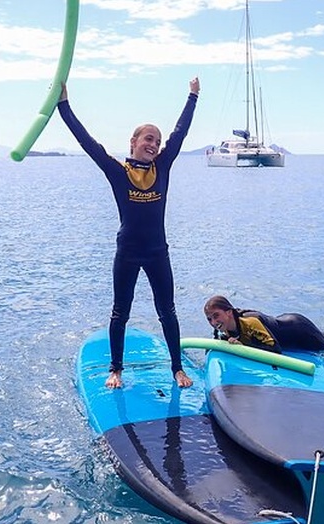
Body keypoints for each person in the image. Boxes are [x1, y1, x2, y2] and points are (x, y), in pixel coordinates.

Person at [58, 78, 200, 389]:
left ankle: (177, 368)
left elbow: (180, 133)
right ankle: (116, 370)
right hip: (128, 252)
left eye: (157, 141)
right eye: (148, 138)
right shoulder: (117, 171)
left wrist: (192, 96)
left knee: (168, 311)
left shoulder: (163, 166)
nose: (154, 144)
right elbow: (86, 141)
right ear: (133, 141)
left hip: (157, 252)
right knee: (120, 311)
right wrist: (63, 104)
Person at [203, 295, 324, 353]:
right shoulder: (225, 329)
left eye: (216, 316)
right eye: (209, 319)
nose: (213, 322)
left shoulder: (249, 322)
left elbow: (275, 349)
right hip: (284, 322)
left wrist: (241, 346)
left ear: (229, 312)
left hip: (298, 330)